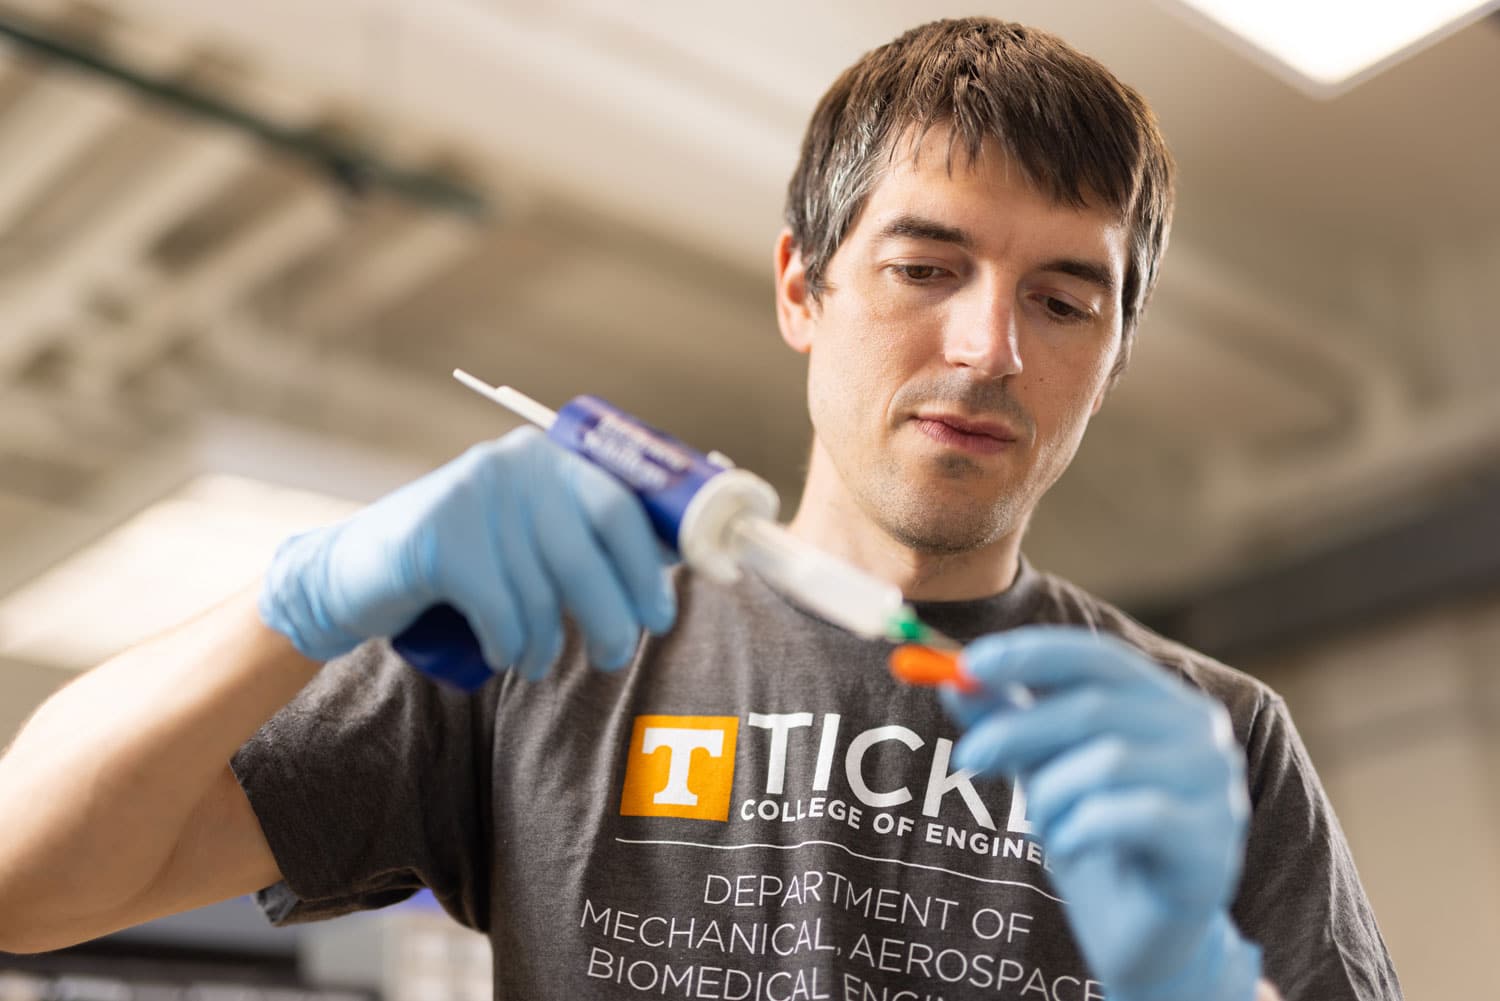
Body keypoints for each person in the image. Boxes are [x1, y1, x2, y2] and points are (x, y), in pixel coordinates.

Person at [0, 17, 1399, 1001]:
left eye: (1062, 297)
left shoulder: (1214, 744)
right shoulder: (561, 641)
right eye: (927, 267)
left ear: (1115, 349)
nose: (990, 349)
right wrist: (295, 602)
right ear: (802, 288)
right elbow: (23, 882)